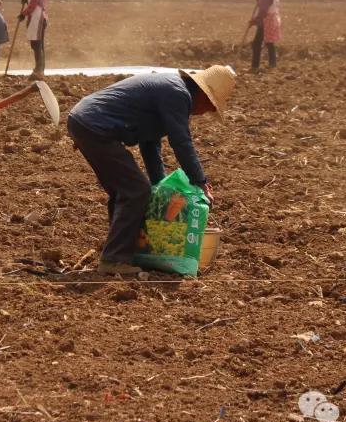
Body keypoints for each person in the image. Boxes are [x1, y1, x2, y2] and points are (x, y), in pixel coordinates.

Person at [66, 66, 236, 275]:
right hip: (95, 126)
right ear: (202, 92)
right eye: (211, 105)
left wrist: (160, 187)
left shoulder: (171, 90)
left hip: (83, 121)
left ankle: (121, 253)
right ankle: (114, 260)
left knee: (125, 191)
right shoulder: (177, 94)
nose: (208, 111)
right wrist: (200, 181)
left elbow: (150, 144)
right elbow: (181, 142)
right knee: (136, 190)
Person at [19, 0, 49, 80]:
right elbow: (34, 2)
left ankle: (38, 69)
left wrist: (24, 14)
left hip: (37, 16)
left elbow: (34, 4)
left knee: (36, 43)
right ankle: (40, 68)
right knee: (39, 43)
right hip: (41, 15)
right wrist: (27, 1)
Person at [249, 0, 281, 71]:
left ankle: (255, 66)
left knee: (256, 43)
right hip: (274, 19)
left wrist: (254, 20)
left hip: (266, 21)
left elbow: (263, 10)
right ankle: (272, 63)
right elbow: (267, 5)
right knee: (269, 42)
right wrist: (260, 0)